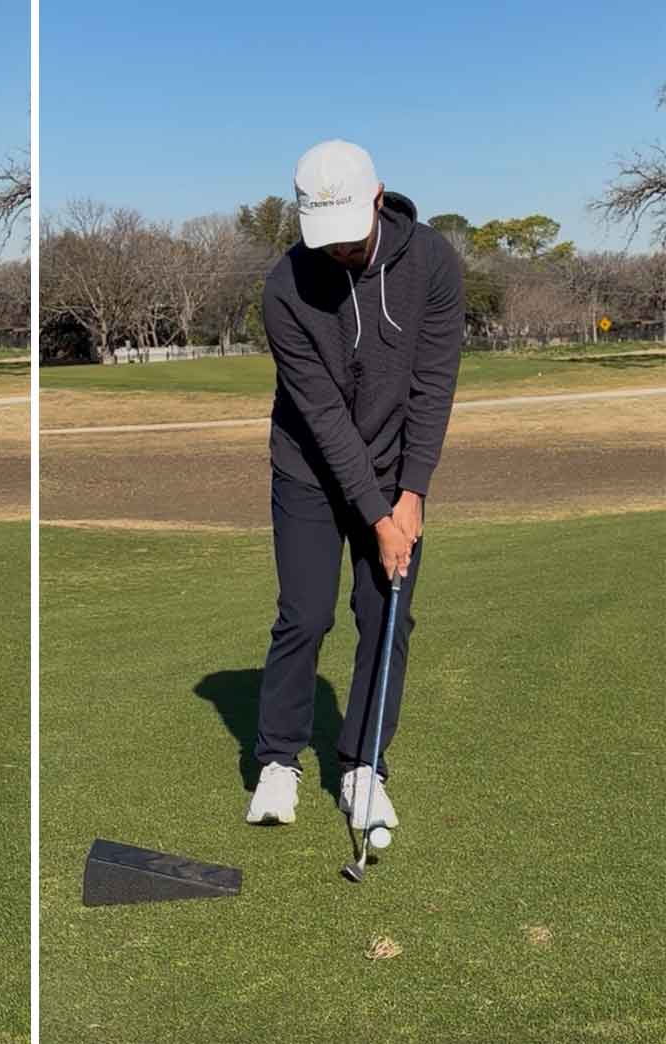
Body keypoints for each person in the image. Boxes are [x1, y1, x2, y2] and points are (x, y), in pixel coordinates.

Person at [244, 140, 462, 833]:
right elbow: (324, 417)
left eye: (349, 234)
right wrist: (375, 515)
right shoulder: (285, 287)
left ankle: (364, 767)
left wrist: (411, 494)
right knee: (305, 615)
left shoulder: (432, 262)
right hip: (308, 466)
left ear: (378, 198)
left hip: (399, 465)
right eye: (324, 238)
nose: (338, 251)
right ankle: (279, 760)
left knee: (385, 616)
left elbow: (433, 384)